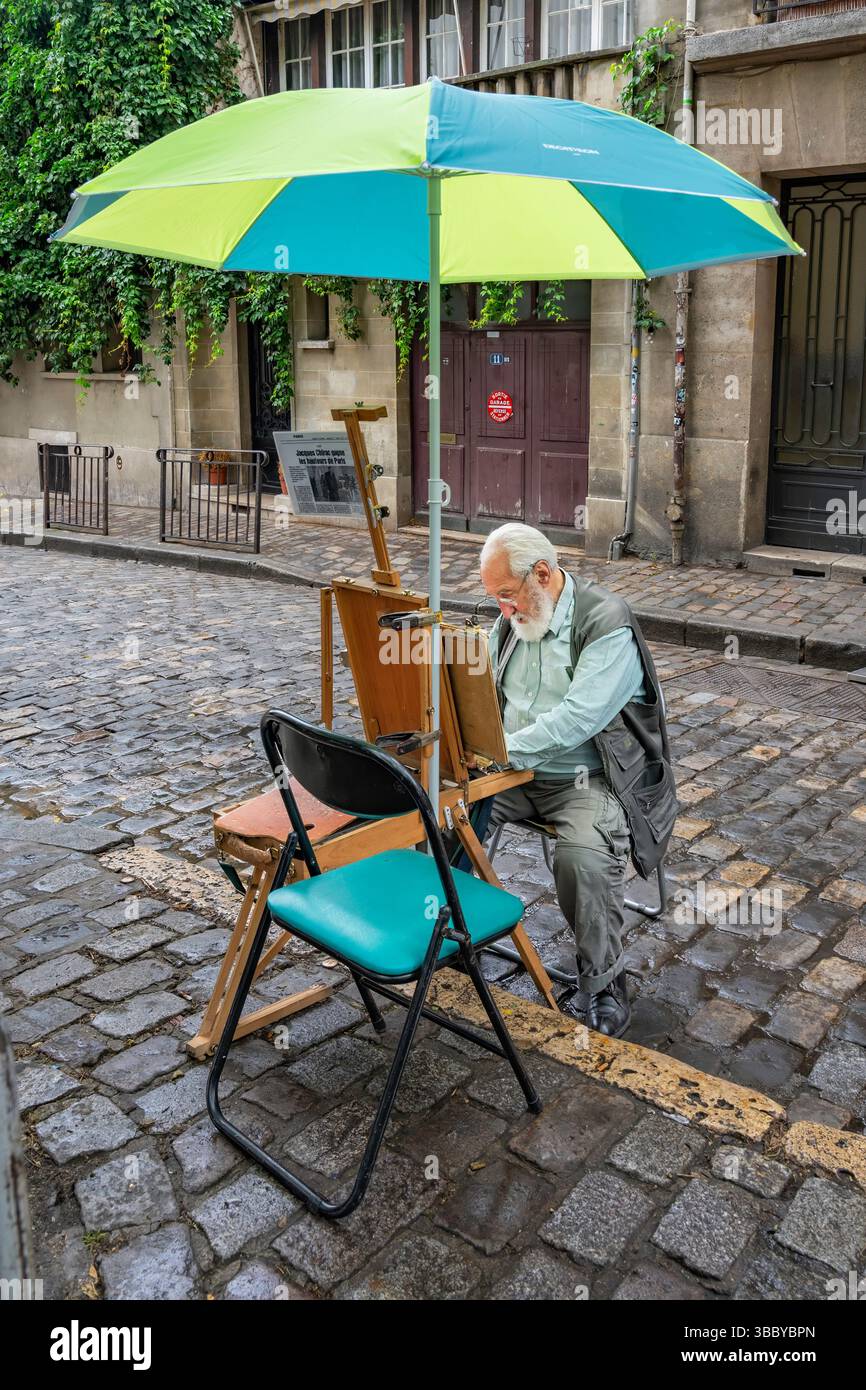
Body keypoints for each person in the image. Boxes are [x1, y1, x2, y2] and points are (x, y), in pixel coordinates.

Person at [478, 522, 677, 1037]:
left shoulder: (605, 621)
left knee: (582, 854)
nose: (504, 609)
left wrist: (497, 751)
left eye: (506, 595)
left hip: (589, 779)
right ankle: (446, 929)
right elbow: (488, 694)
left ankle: (605, 982)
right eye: (496, 598)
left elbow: (577, 720)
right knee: (442, 810)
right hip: (516, 772)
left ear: (542, 574)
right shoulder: (513, 620)